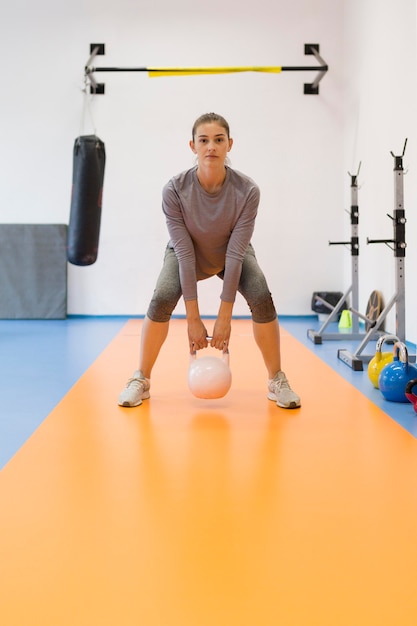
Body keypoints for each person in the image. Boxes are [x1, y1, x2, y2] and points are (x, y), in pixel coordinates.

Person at [118, 112, 301, 409]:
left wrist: (224, 317)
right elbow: (185, 252)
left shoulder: (248, 191)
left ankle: (276, 379)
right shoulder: (175, 190)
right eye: (204, 140)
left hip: (231, 252)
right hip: (185, 252)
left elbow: (235, 252)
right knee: (162, 298)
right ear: (193, 146)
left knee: (261, 296)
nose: (211, 147)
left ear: (230, 144)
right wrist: (193, 318)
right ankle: (141, 379)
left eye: (218, 140)